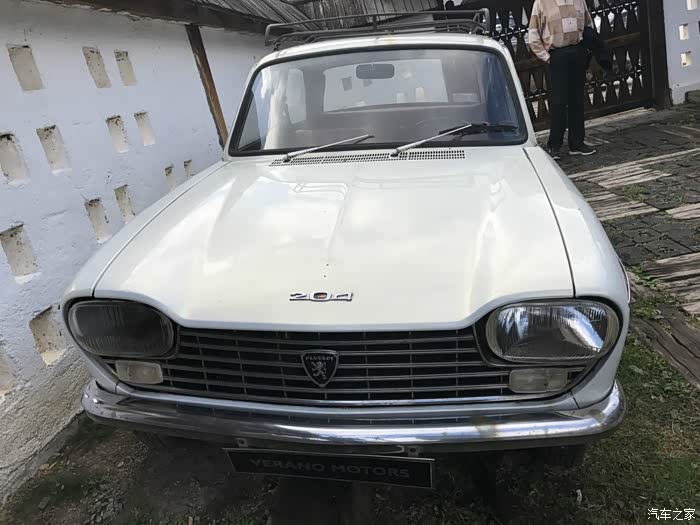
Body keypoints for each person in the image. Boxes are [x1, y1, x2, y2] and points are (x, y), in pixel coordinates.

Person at [528, 0, 597, 160]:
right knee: (558, 102)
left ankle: (577, 143)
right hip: (557, 55)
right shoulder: (541, 3)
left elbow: (588, 26)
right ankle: (554, 145)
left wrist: (587, 49)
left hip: (577, 52)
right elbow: (533, 36)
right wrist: (547, 57)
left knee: (577, 100)